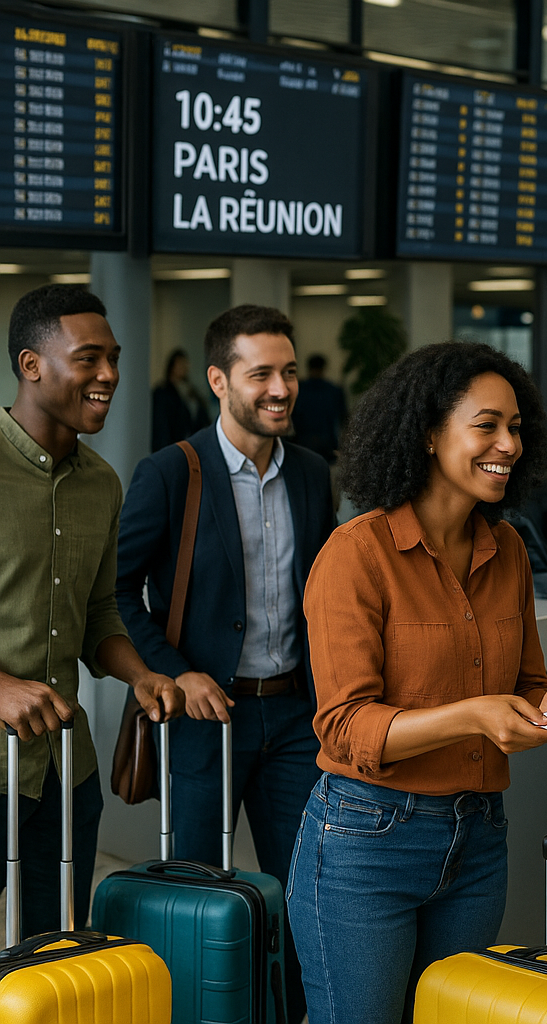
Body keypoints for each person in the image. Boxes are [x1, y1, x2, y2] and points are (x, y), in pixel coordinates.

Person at [287, 342, 547, 1024]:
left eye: (516, 427)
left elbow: (529, 682)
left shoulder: (508, 548)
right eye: (486, 425)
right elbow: (345, 728)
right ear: (428, 434)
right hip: (366, 843)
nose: (508, 444)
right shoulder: (356, 553)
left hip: (478, 840)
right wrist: (474, 715)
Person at [116, 305, 335, 1024]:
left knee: (307, 883)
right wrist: (175, 671)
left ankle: (289, 1011)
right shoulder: (171, 472)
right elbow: (115, 591)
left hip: (297, 716)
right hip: (208, 719)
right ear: (219, 380)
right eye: (262, 374)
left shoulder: (310, 473)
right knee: (202, 890)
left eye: (290, 372)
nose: (281, 388)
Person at [0, 284, 183, 935]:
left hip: (62, 770)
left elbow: (101, 611)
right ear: (31, 365)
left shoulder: (102, 481)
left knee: (53, 948)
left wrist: (142, 674)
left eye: (113, 358)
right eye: (88, 358)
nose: (108, 375)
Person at [291, 353, 349, 464]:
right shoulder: (334, 391)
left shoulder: (299, 390)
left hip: (303, 442)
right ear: (324, 368)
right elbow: (344, 419)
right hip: (327, 442)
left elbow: (292, 416)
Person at [151, 347, 210, 451]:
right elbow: (161, 426)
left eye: (185, 364)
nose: (183, 367)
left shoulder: (191, 391)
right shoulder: (163, 392)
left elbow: (201, 417)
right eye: (180, 364)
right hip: (172, 446)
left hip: (192, 445)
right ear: (172, 366)